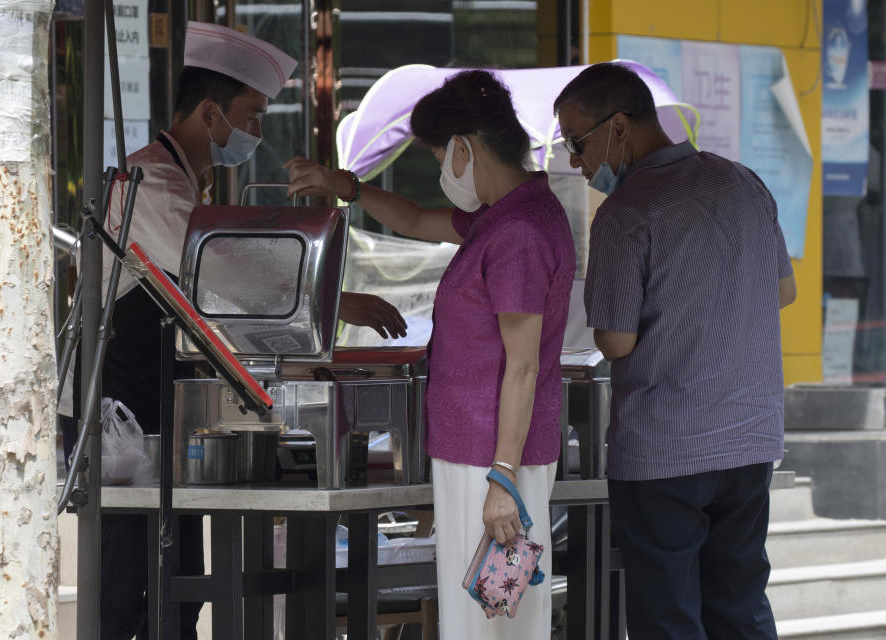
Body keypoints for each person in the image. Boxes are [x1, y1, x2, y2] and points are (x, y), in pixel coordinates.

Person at [75, 21, 406, 639]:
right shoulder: (150, 183)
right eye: (251, 117)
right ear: (211, 112)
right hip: (127, 416)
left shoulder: (185, 180)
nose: (256, 133)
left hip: (161, 412)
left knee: (180, 585)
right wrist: (341, 302)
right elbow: (224, 277)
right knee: (131, 591)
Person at [286, 69, 575, 638]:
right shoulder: (507, 215)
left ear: (465, 148)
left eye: (442, 155)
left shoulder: (517, 233)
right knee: (488, 618)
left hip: (490, 458)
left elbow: (523, 365)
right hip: (482, 453)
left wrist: (503, 480)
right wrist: (343, 185)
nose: (443, 170)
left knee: (486, 623)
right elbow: (417, 220)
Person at [555, 62, 797, 639]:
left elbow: (616, 340)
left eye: (576, 142)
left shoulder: (627, 211)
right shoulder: (744, 182)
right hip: (749, 442)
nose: (574, 162)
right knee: (740, 607)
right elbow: (783, 290)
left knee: (668, 617)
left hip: (667, 451)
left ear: (618, 127)